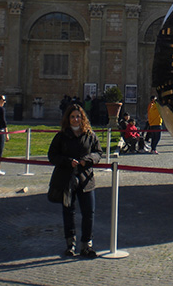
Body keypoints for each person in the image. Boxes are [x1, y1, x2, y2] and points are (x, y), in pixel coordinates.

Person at [48, 104, 103, 258]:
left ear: (82, 118)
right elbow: (52, 155)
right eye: (72, 117)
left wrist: (89, 159)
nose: (75, 119)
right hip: (67, 179)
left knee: (89, 212)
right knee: (68, 212)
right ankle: (70, 245)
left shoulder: (90, 135)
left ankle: (86, 244)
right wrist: (67, 161)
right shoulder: (61, 136)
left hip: (86, 179)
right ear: (68, 119)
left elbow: (98, 152)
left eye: (78, 116)